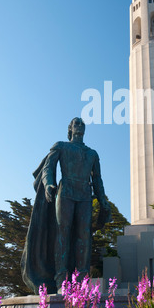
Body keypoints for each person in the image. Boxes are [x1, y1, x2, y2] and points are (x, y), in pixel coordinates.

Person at [21, 117, 111, 294]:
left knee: (84, 236)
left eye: (82, 124)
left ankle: (82, 281)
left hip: (85, 195)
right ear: (70, 129)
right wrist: (48, 184)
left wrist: (103, 200)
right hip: (66, 191)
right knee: (63, 233)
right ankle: (61, 280)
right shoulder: (61, 146)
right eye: (76, 124)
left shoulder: (92, 154)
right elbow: (48, 168)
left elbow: (97, 180)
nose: (79, 126)